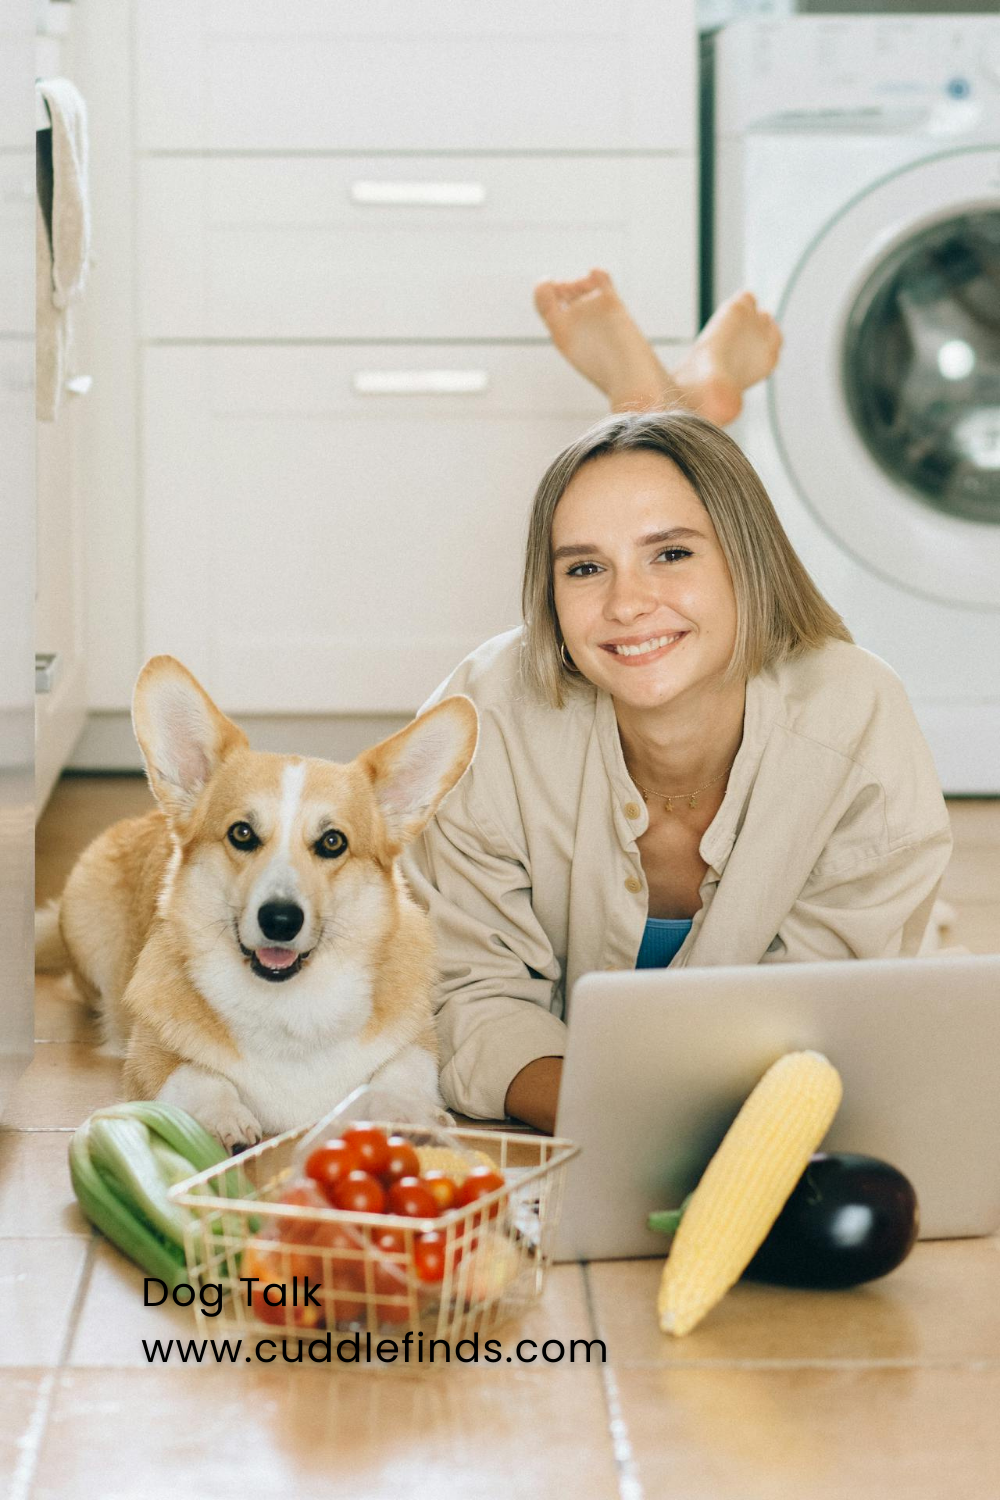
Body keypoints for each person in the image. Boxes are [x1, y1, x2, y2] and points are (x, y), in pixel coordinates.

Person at [403, 281, 952, 1135]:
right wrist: (619, 1117)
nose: (625, 604)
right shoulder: (484, 715)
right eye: (583, 568)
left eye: (672, 553)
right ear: (548, 596)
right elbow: (467, 995)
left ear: (749, 561)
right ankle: (681, 395)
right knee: (651, 508)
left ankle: (675, 394)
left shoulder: (857, 718)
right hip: (622, 1108)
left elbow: (831, 1023)